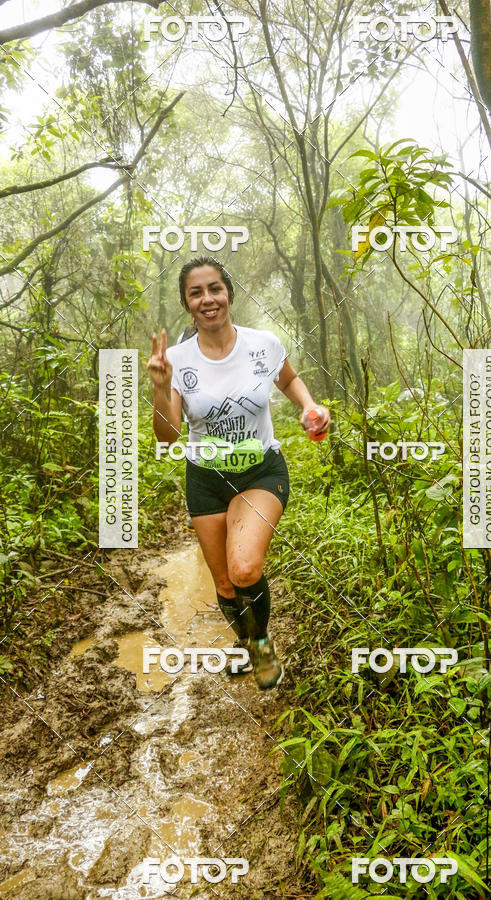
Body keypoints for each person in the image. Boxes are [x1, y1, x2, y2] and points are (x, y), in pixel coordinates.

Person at [147, 257, 330, 690]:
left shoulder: (262, 344)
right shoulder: (176, 359)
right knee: (226, 583)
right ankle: (246, 645)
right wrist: (159, 385)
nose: (207, 299)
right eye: (196, 293)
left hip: (260, 472)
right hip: (206, 478)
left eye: (215, 288)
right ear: (187, 304)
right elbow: (169, 436)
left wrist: (309, 407)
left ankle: (262, 644)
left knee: (245, 567)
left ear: (228, 292)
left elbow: (288, 380)